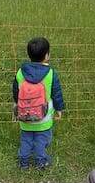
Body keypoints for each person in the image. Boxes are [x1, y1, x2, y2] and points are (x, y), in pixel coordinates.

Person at [12, 36, 65, 169]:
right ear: (46, 55)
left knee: (26, 140)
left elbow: (16, 93)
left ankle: (23, 162)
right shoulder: (51, 73)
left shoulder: (20, 73)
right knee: (42, 140)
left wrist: (16, 108)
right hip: (44, 117)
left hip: (25, 116)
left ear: (28, 54)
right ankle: (41, 162)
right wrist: (59, 109)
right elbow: (56, 93)